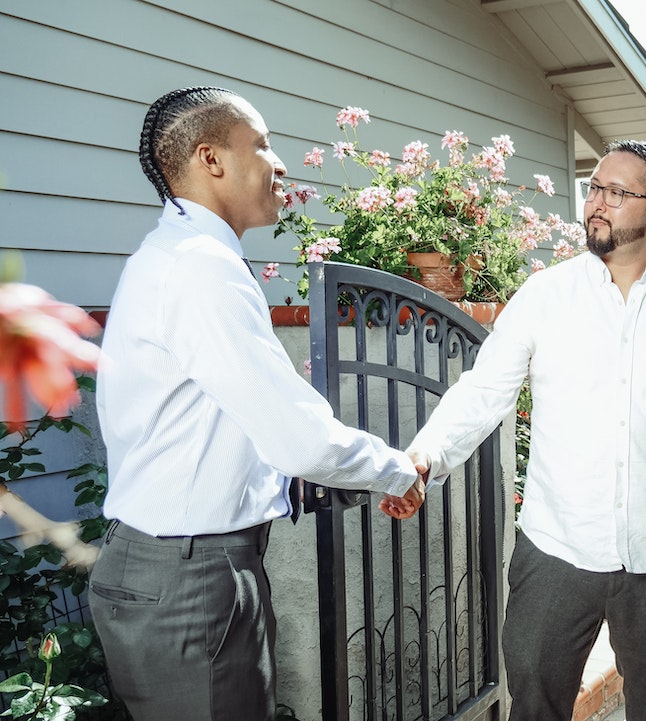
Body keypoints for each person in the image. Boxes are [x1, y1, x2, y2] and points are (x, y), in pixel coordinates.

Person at [88, 86, 426, 721]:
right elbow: (296, 438)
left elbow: (237, 420)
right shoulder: (199, 268)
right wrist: (396, 470)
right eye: (263, 145)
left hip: (188, 564)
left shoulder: (180, 256)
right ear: (211, 159)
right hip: (190, 577)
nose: (281, 163)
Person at [405, 139, 646, 721]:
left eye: (617, 193)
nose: (596, 204)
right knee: (535, 704)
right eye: (594, 189)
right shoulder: (545, 295)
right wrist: (427, 454)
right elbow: (485, 390)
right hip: (555, 553)